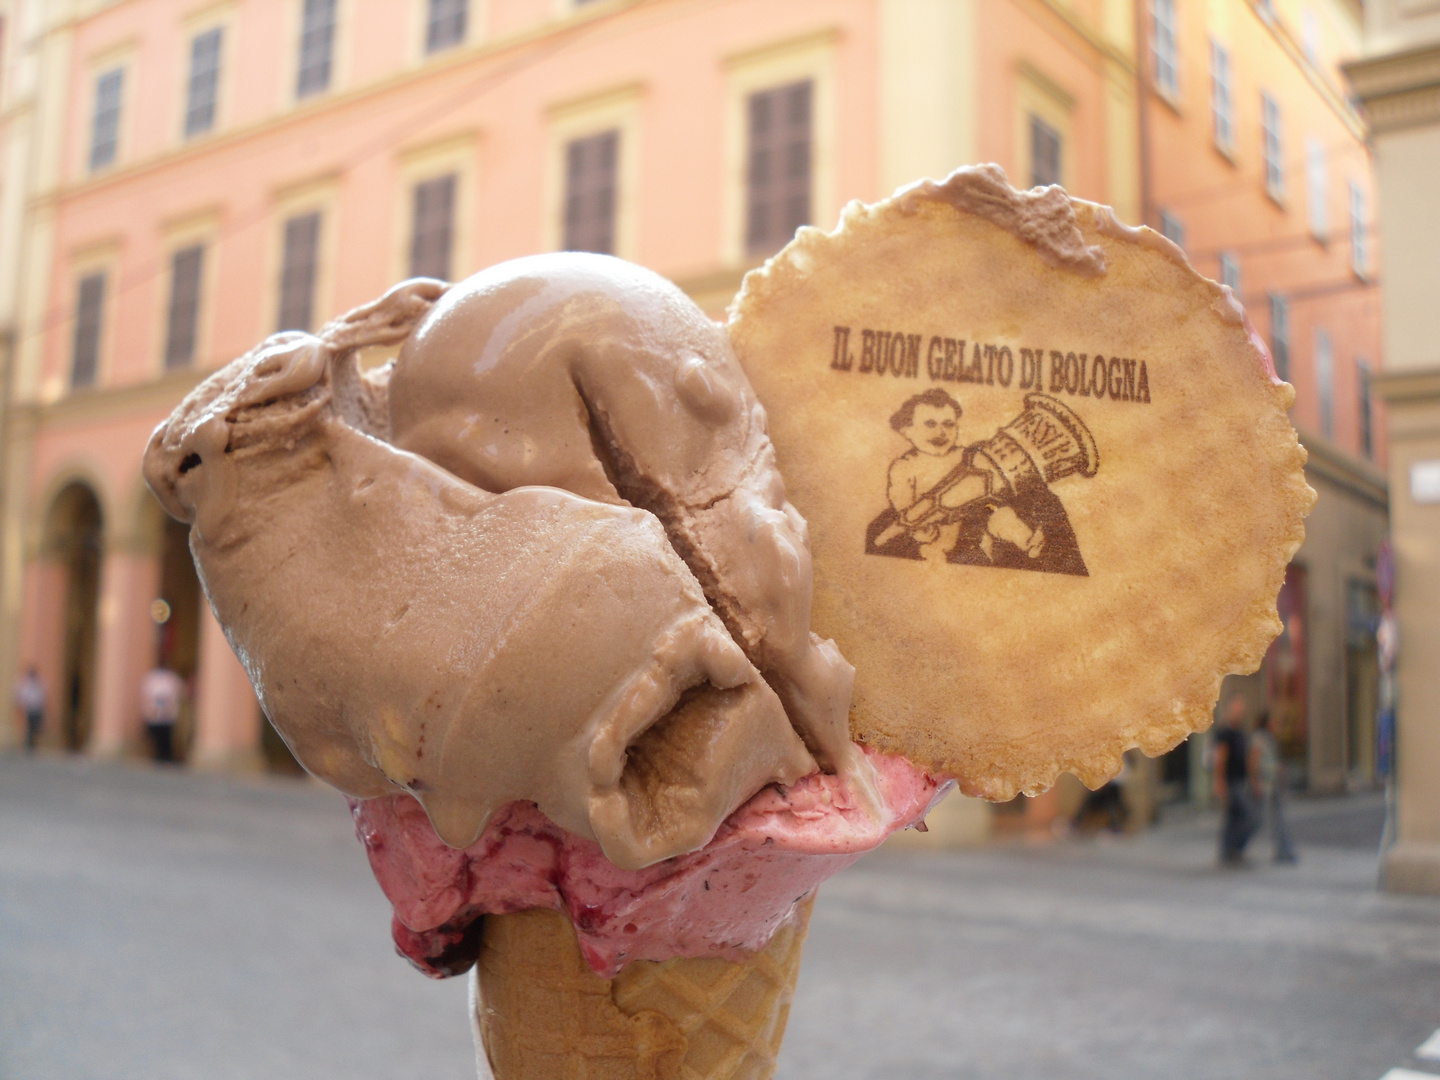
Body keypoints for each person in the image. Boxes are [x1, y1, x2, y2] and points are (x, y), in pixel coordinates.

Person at [1212, 696, 1259, 865]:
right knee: (1245, 817)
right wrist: (1219, 782)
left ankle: (1230, 851)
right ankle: (1231, 849)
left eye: (1241, 710)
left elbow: (1247, 757)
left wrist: (1253, 779)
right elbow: (1220, 759)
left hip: (1241, 779)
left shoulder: (1240, 732)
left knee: (1234, 817)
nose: (1240, 713)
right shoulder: (1225, 733)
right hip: (1232, 781)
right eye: (1237, 709)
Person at [1249, 710, 1298, 864]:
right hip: (1266, 784)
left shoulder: (1269, 738)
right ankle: (1281, 850)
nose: (1275, 725)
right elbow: (1254, 760)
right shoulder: (1259, 738)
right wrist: (1255, 782)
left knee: (1278, 817)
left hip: (1273, 782)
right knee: (1270, 818)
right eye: (1273, 721)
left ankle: (1284, 849)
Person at [140, 665, 186, 764]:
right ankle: (158, 755)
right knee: (156, 737)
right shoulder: (153, 678)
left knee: (165, 738)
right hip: (155, 714)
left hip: (166, 715)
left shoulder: (170, 678)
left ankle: (165, 756)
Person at [15, 667, 45, 752]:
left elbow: (41, 696)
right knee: (30, 728)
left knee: (35, 728)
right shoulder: (26, 684)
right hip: (30, 709)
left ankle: (32, 744)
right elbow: (23, 696)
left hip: (36, 709)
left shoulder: (38, 684)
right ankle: (28, 745)